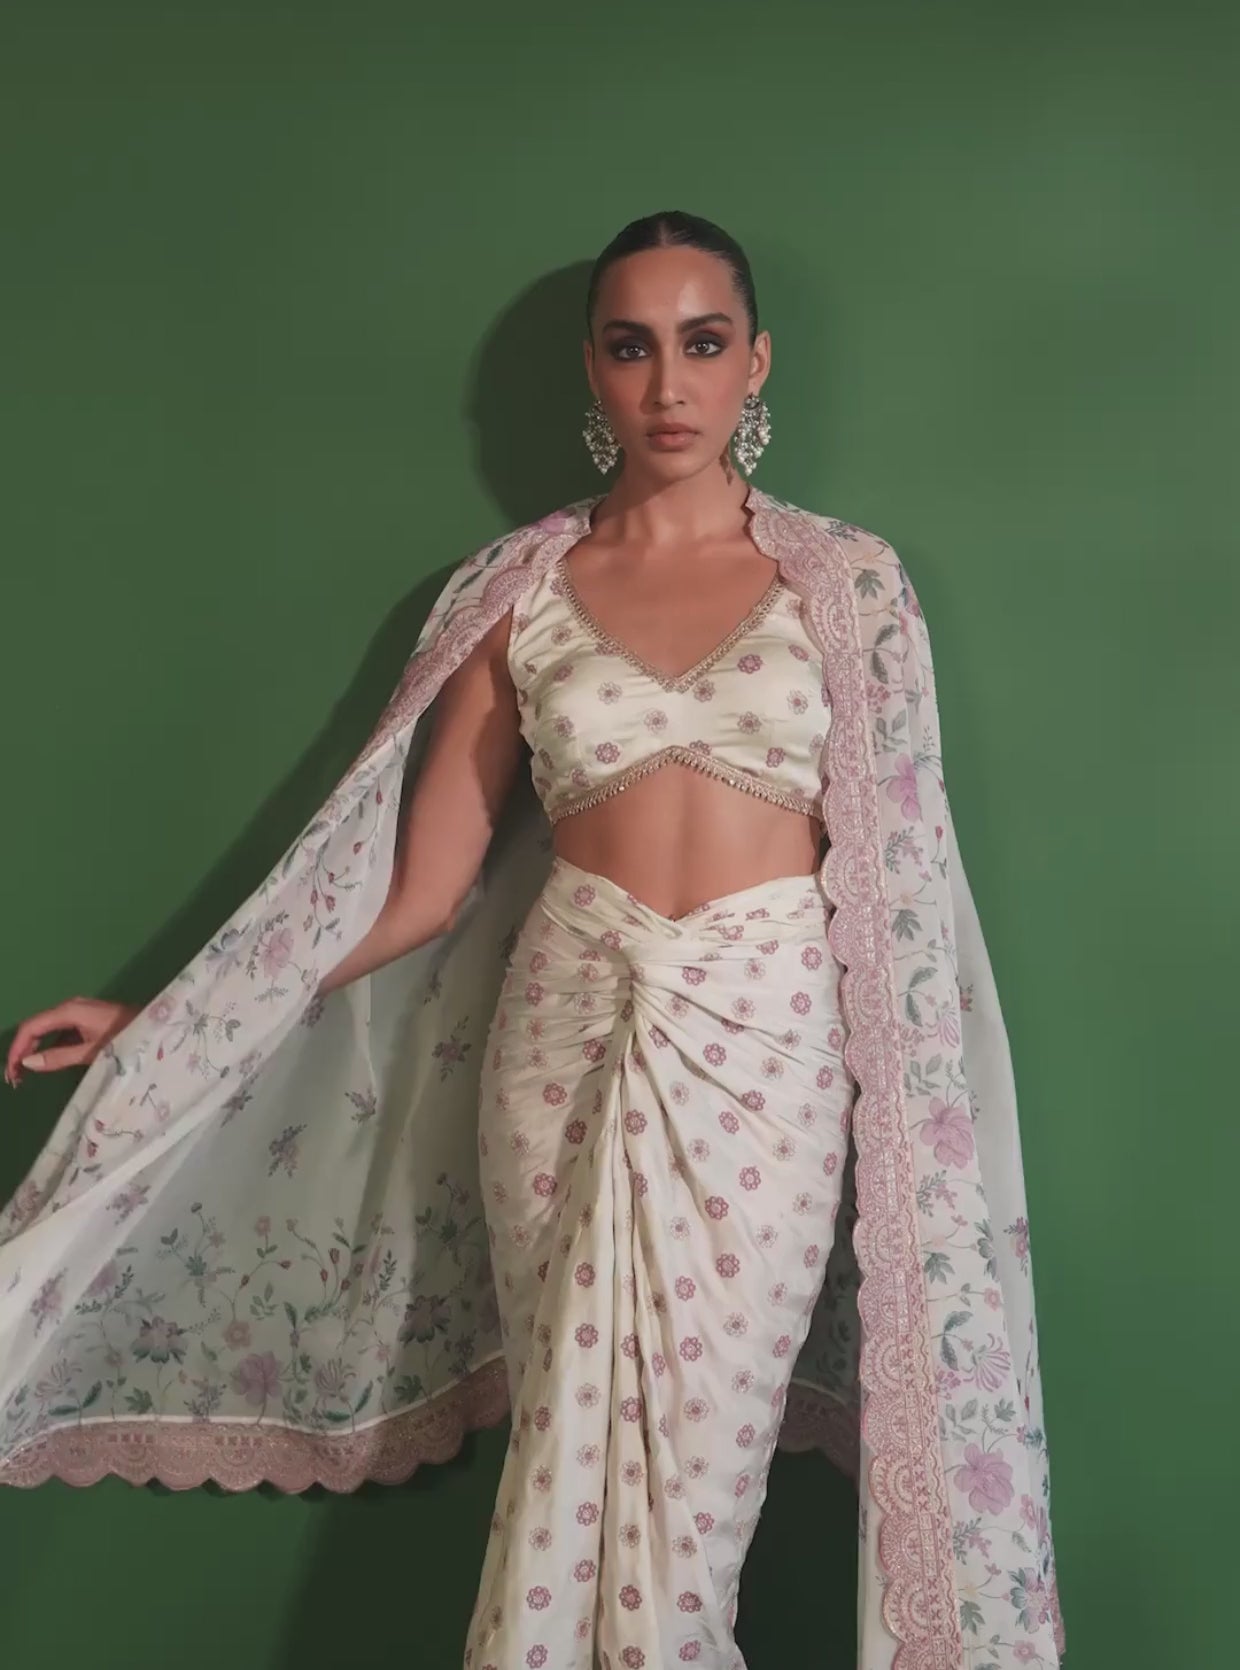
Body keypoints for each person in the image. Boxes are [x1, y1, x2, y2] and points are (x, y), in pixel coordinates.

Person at [1, 211, 1064, 1669]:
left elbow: (904, 889)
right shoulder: (517, 590)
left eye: (703, 344)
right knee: (567, 1433)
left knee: (693, 1502)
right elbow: (419, 892)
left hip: (767, 1052)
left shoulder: (848, 585)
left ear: (756, 362)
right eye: (633, 347)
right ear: (593, 368)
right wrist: (169, 1021)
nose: (669, 385)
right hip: (558, 1044)